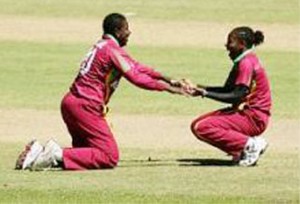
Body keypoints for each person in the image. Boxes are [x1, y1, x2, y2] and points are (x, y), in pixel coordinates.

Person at [15, 13, 186, 171]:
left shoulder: (103, 46)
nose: (129, 32)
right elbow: (137, 78)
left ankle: (38, 153)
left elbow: (138, 67)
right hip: (86, 105)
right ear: (118, 31)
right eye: (126, 28)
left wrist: (169, 79)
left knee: (85, 153)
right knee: (108, 156)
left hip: (71, 103)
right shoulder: (112, 51)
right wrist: (170, 89)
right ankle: (55, 153)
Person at [188, 26, 271, 166]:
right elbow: (228, 90)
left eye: (230, 42)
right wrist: (198, 88)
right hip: (250, 114)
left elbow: (237, 96)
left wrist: (204, 93)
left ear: (242, 44)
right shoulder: (244, 60)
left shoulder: (246, 63)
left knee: (201, 127)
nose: (227, 47)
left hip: (253, 117)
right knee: (198, 124)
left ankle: (250, 145)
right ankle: (244, 148)